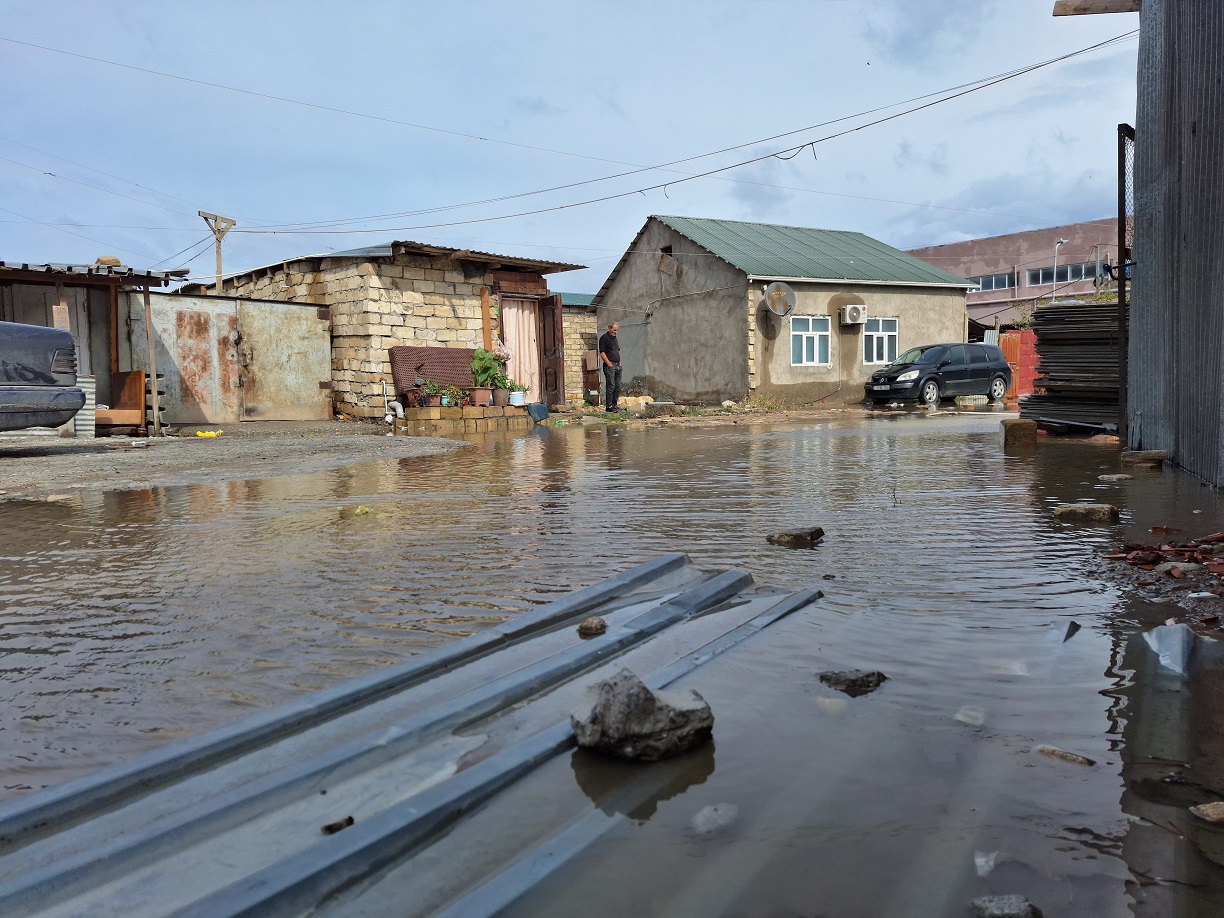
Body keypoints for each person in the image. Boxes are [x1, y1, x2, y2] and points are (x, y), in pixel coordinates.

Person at [598, 322, 621, 412]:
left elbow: (617, 351)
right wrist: (609, 364)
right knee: (611, 385)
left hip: (617, 365)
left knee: (618, 386)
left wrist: (619, 363)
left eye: (617, 330)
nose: (616, 332)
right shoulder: (604, 338)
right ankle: (609, 406)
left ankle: (614, 405)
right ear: (609, 329)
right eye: (614, 330)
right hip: (610, 366)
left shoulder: (615, 339)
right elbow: (602, 353)